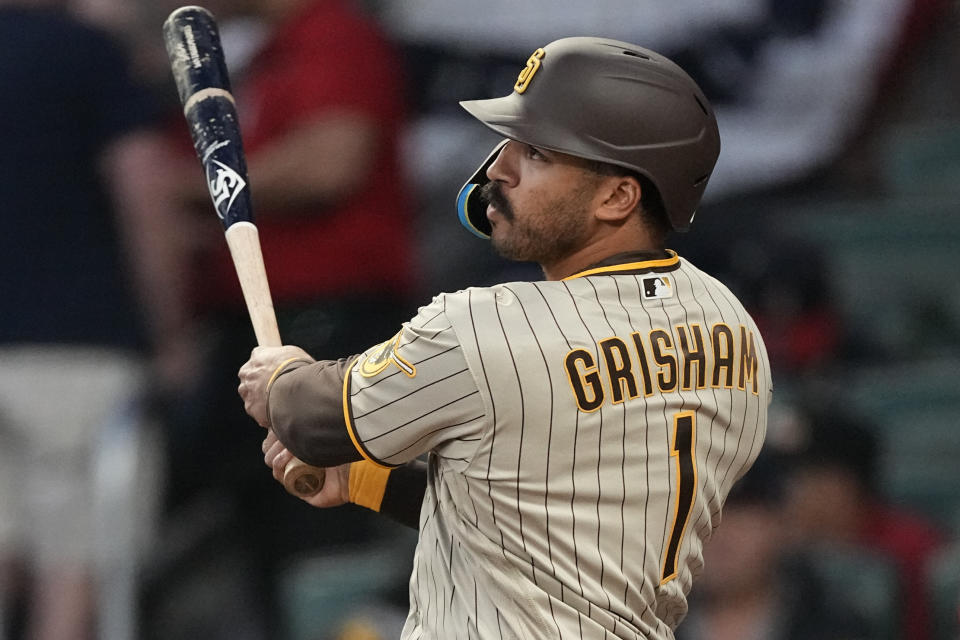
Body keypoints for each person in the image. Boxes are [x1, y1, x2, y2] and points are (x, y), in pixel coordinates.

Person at [238, 37, 773, 638]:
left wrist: (280, 375)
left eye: (538, 153)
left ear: (618, 196)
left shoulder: (490, 324)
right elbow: (543, 530)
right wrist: (361, 478)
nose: (498, 169)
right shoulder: (732, 326)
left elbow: (310, 417)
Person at [153, 0, 418, 636]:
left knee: (330, 533)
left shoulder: (332, 33)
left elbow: (331, 163)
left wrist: (175, 187)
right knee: (260, 527)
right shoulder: (257, 52)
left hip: (336, 326)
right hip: (248, 332)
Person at [0, 1, 188, 638]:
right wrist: (172, 331)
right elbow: (143, 192)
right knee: (74, 557)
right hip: (76, 343)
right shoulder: (83, 53)